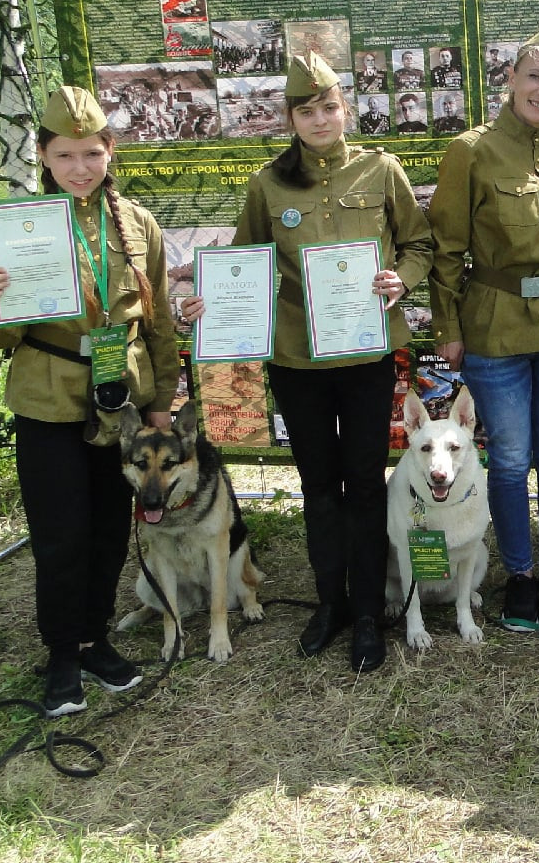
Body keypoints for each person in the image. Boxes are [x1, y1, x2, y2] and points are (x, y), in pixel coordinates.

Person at [188, 52, 432, 672]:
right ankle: (331, 604)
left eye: (329, 106)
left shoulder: (381, 170)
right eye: (306, 110)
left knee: (365, 486)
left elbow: (420, 244)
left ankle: (370, 614)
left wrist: (399, 279)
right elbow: (244, 263)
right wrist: (209, 302)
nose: (320, 119)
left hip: (367, 353)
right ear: (291, 118)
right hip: (297, 360)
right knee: (319, 488)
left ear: (345, 108)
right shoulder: (268, 184)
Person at [0, 86, 179, 716]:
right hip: (50, 399)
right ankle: (61, 653)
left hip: (124, 401)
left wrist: (162, 402)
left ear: (109, 151)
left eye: (91, 153)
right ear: (44, 156)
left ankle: (95, 640)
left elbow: (159, 320)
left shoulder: (138, 224)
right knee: (61, 537)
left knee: (111, 533)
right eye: (65, 156)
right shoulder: (22, 230)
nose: (80, 168)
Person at [428, 23, 539, 629]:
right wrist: (446, 327)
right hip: (494, 323)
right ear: (510, 79)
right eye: (535, 76)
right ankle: (518, 574)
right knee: (508, 461)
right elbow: (445, 247)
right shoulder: (471, 151)